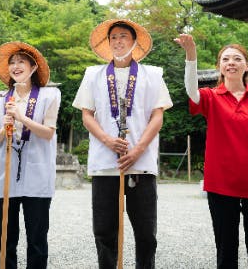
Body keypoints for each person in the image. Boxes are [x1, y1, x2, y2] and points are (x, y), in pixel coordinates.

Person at [174, 34, 248, 269]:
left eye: (237, 59)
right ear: (220, 66)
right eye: (225, 59)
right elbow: (191, 91)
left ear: (247, 66)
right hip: (221, 183)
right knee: (226, 250)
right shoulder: (211, 97)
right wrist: (191, 55)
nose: (231, 63)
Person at [72, 19, 173, 269]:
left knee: (146, 232)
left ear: (134, 42)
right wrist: (107, 139)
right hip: (105, 163)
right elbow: (87, 115)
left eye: (124, 36)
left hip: (141, 163)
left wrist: (138, 149)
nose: (118, 41)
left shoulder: (152, 74)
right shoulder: (93, 74)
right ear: (108, 43)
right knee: (104, 230)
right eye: (114, 37)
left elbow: (157, 115)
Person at [0, 42, 61, 269]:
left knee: (37, 239)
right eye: (12, 62)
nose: (15, 66)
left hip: (38, 173)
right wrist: (5, 128)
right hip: (6, 173)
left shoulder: (49, 96)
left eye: (21, 61)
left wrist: (22, 118)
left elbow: (48, 133)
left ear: (33, 67)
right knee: (4, 237)